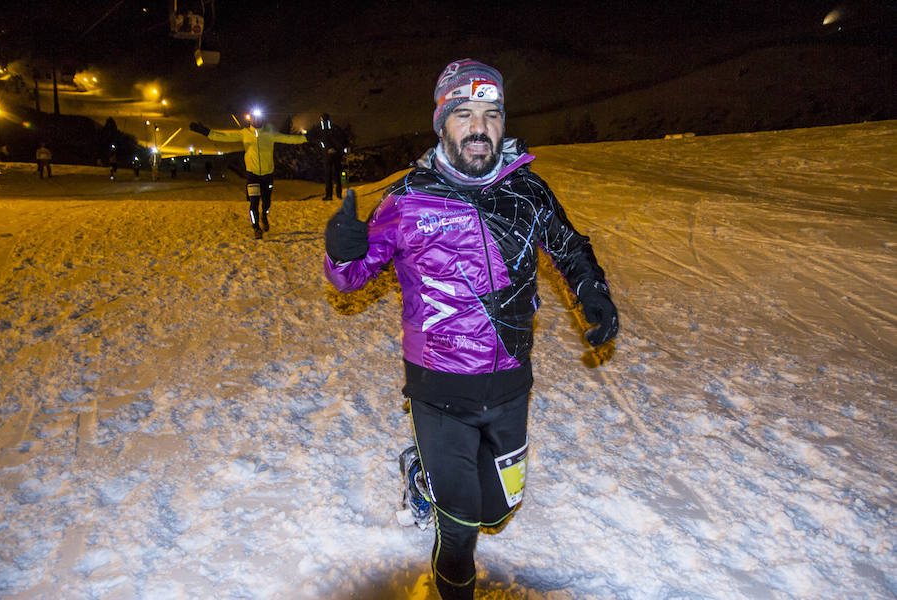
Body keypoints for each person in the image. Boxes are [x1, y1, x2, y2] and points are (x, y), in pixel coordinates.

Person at [323, 59, 619, 600]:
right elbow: (352, 277)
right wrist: (343, 252)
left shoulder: (527, 190)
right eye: (464, 114)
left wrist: (591, 291)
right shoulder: (407, 198)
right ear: (442, 124)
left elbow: (569, 246)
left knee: (498, 511)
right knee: (460, 528)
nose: (479, 128)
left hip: (510, 379)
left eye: (491, 114)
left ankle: (424, 471)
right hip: (439, 384)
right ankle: (439, 510)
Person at [190, 109, 307, 239]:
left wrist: (307, 137)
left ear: (262, 119)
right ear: (250, 119)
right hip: (253, 175)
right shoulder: (245, 133)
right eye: (254, 118)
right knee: (254, 203)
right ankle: (256, 227)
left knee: (267, 202)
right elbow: (223, 136)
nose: (256, 120)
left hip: (268, 174)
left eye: (259, 118)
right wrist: (205, 132)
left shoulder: (270, 133)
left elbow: (289, 138)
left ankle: (264, 215)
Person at [307, 113, 348, 201]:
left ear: (321, 119)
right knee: (337, 174)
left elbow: (310, 136)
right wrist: (340, 149)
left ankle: (329, 195)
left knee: (328, 175)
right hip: (336, 154)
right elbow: (343, 138)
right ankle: (339, 194)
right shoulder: (334, 127)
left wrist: (321, 145)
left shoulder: (319, 128)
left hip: (326, 154)